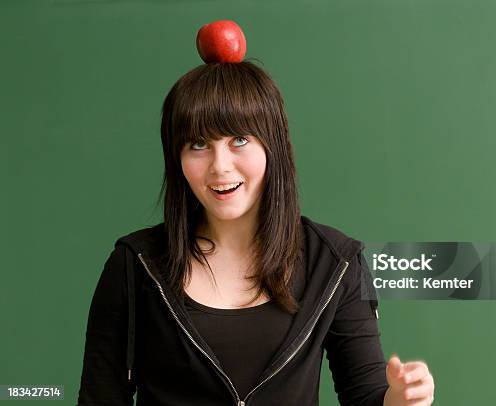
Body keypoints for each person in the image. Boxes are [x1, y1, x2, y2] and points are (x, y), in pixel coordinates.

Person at [77, 60, 435, 405]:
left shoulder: (336, 262)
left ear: (272, 146)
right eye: (198, 144)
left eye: (239, 140)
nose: (219, 166)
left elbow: (364, 394)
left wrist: (398, 401)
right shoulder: (134, 264)